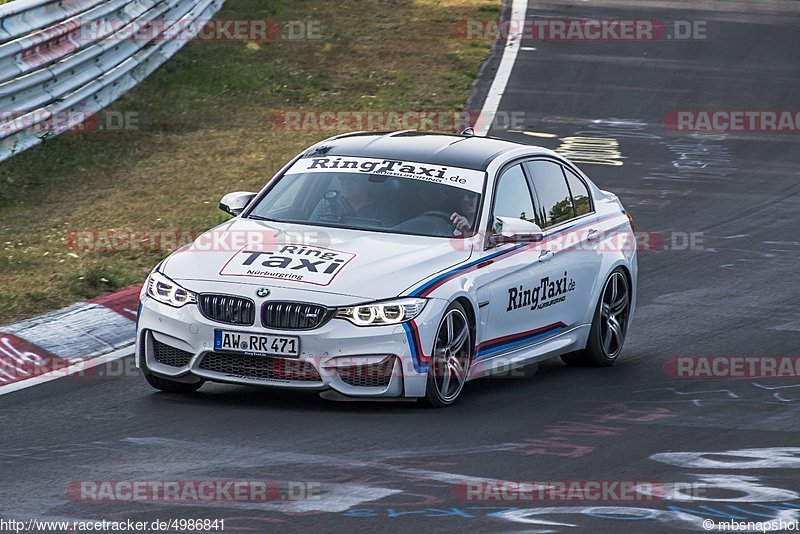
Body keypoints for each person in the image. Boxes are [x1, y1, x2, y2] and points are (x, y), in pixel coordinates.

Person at [310, 174, 400, 227]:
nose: (345, 183)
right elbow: (310, 229)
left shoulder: (383, 208)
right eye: (342, 179)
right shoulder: (327, 202)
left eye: (351, 179)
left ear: (365, 182)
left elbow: (388, 240)